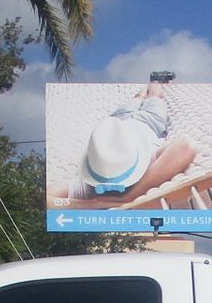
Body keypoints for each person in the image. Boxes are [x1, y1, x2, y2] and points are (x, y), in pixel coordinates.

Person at [64, 76, 197, 207]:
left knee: (138, 97)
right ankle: (155, 80)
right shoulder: (146, 163)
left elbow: (49, 198)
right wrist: (132, 195)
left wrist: (94, 204)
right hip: (150, 120)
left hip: (118, 120)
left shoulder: (90, 183)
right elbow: (186, 146)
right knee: (155, 96)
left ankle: (151, 82)